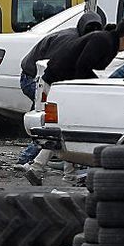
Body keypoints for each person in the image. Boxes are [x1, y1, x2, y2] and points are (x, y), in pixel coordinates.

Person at [25, 16, 124, 184]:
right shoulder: (104, 42)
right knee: (63, 129)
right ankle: (37, 167)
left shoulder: (104, 39)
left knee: (68, 128)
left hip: (62, 84)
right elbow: (83, 67)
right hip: (60, 85)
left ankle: (64, 174)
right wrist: (92, 90)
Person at [14, 11, 103, 165]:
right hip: (34, 79)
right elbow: (53, 69)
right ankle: (29, 158)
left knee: (49, 122)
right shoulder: (70, 41)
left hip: (34, 76)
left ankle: (40, 159)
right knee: (52, 122)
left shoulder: (76, 37)